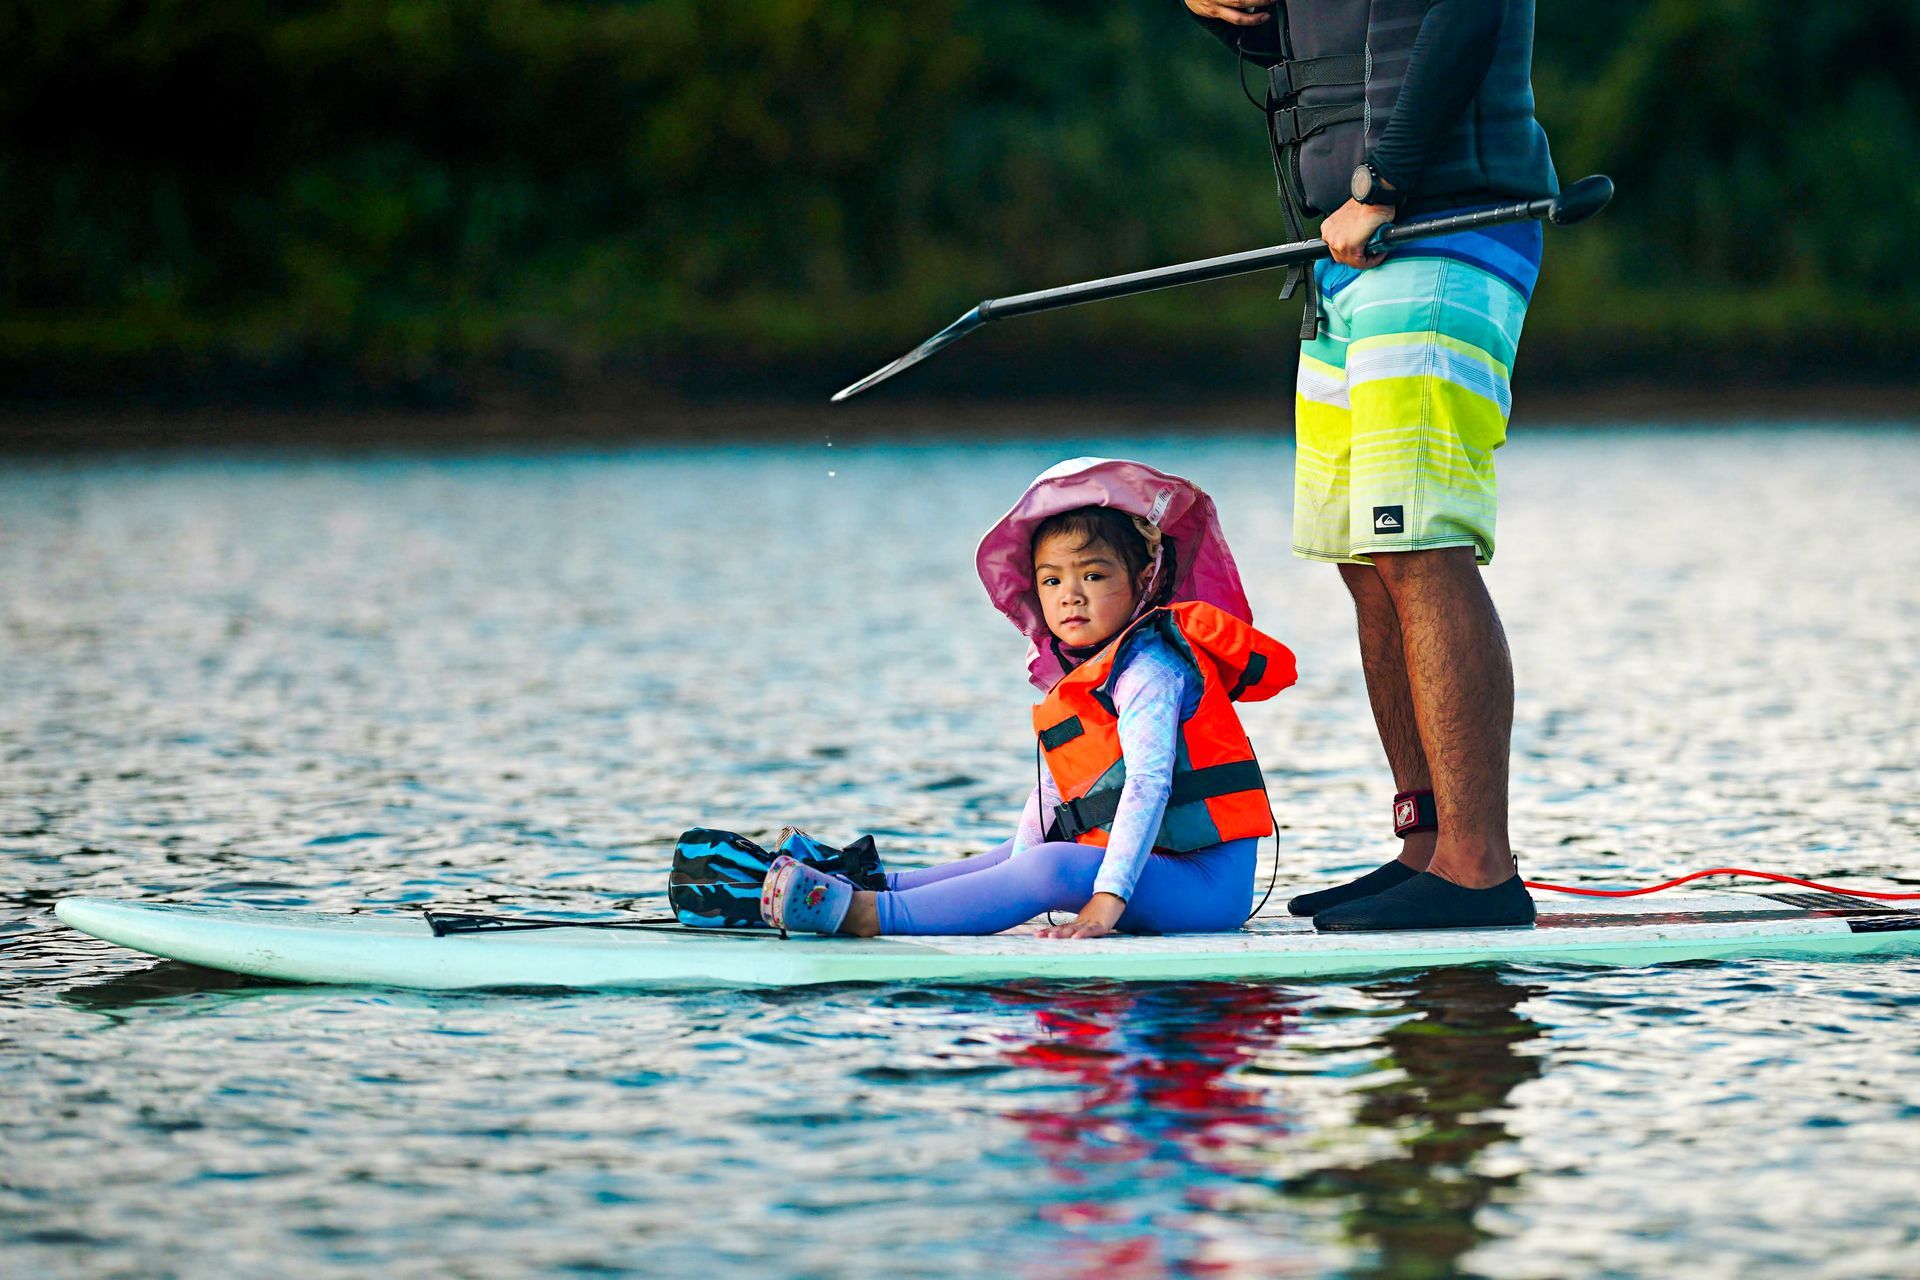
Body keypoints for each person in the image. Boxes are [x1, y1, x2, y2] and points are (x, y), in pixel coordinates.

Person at [1183, 0, 1557, 931]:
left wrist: (1384, 180)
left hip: (1445, 228)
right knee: (1368, 554)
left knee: (1420, 544)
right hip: (1351, 251)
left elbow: (1468, 18)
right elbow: (1331, 50)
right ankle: (1426, 845)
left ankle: (1478, 868)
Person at [759, 458, 1296, 939]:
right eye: (1052, 580)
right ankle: (863, 884)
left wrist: (1106, 901)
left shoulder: (1151, 670)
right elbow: (1049, 799)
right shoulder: (1085, 675)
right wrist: (1008, 885)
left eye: (1093, 575)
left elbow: (1149, 785)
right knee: (1015, 859)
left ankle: (862, 916)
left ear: (1143, 581)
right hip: (1156, 867)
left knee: (1050, 867)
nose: (1071, 594)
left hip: (1205, 887)